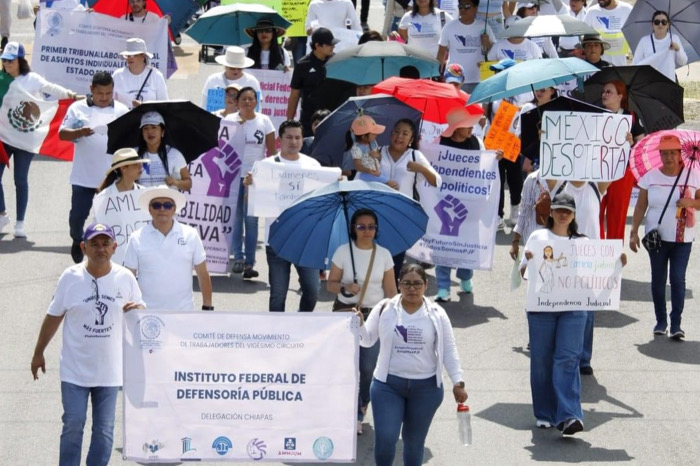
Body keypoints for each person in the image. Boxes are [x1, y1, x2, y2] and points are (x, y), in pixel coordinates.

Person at [30, 222, 144, 466]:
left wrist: (137, 311)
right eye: (94, 244)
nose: (100, 249)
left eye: (105, 244)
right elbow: (54, 316)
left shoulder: (125, 278)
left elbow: (141, 314)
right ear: (83, 247)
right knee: (73, 424)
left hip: (110, 372)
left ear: (114, 248)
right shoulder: (70, 278)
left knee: (103, 431)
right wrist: (38, 352)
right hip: (75, 371)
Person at [520, 193, 625, 434]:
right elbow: (524, 274)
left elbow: (596, 278)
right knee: (542, 362)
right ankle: (545, 413)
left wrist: (616, 265)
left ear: (574, 215)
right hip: (542, 308)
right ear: (551, 212)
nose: (563, 214)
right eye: (558, 209)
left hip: (574, 309)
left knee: (567, 359)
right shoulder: (537, 237)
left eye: (567, 210)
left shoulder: (583, 243)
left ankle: (569, 415)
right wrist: (526, 263)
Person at [357, 263, 468, 465]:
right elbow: (366, 340)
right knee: (386, 438)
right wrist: (359, 325)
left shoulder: (437, 313)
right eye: (406, 284)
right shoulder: (385, 308)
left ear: (426, 285)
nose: (412, 289)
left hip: (426, 389)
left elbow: (449, 350)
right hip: (387, 386)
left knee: (414, 442)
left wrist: (457, 382)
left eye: (417, 284)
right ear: (399, 285)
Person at [327, 208, 397, 434]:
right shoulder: (342, 252)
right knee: (345, 366)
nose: (367, 231)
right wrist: (345, 287)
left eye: (371, 227)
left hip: (374, 316)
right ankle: (346, 411)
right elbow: (331, 285)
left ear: (376, 230)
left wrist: (392, 319)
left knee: (367, 367)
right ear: (353, 229)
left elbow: (391, 291)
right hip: (345, 313)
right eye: (361, 227)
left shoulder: (384, 254)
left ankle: (361, 407)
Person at [0, 42, 79, 239]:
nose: (7, 64)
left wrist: (70, 95)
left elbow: (51, 88)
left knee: (20, 180)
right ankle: (2, 214)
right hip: (4, 136)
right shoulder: (1, 79)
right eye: (4, 60)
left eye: (10, 61)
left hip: (26, 139)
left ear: (20, 60)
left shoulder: (32, 79)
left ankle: (20, 223)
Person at [243, 120, 322, 312]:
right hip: (277, 240)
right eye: (289, 137)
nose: (293, 142)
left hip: (306, 240)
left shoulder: (313, 165)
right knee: (278, 295)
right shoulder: (265, 166)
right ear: (280, 140)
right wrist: (249, 187)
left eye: (297, 137)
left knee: (312, 291)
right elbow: (250, 203)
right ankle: (278, 337)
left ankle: (302, 327)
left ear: (303, 140)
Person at [630, 135, 700, 340]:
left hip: (682, 238)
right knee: (658, 279)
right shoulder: (650, 177)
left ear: (680, 155)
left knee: (678, 279)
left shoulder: (693, 176)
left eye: (672, 153)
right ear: (659, 154)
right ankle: (661, 320)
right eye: (664, 153)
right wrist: (633, 231)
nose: (668, 157)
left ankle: (676, 323)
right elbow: (641, 205)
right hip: (657, 237)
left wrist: (691, 202)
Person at [59, 72, 129, 264]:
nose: (105, 98)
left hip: (110, 178)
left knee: (110, 219)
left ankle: (106, 254)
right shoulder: (77, 108)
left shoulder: (122, 110)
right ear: (91, 90)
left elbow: (130, 139)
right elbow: (62, 134)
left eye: (108, 93)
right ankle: (76, 239)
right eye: (100, 94)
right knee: (77, 217)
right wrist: (79, 131)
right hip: (83, 177)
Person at [124, 186, 213, 311]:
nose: (162, 209)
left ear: (174, 209)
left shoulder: (191, 234)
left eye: (167, 205)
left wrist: (207, 307)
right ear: (149, 209)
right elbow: (128, 278)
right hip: (147, 314)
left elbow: (202, 273)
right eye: (156, 205)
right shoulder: (136, 238)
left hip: (183, 313)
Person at [380, 118, 442, 279]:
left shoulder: (415, 155)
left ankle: (393, 292)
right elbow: (362, 176)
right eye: (396, 131)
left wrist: (420, 168)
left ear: (411, 139)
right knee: (378, 258)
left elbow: (436, 181)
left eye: (405, 133)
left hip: (403, 215)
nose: (399, 136)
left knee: (396, 259)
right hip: (378, 213)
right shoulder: (379, 152)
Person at [433, 108, 484, 301]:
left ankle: (465, 277)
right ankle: (443, 287)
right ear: (456, 128)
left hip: (468, 201)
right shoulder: (440, 143)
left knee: (467, 241)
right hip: (445, 202)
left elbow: (484, 167)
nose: (471, 128)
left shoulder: (476, 143)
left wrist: (494, 158)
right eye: (467, 125)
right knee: (444, 244)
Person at [227, 87, 276, 279]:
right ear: (237, 102)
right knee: (236, 219)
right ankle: (237, 257)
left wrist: (266, 176)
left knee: (252, 221)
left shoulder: (264, 121)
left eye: (251, 99)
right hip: (233, 176)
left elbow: (272, 152)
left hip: (255, 179)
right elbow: (222, 149)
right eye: (244, 99)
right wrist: (236, 128)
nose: (247, 102)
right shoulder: (230, 121)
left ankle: (250, 263)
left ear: (256, 102)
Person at [598, 80, 644, 241]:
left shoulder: (630, 117)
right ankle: (594, 251)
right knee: (594, 211)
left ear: (620, 96)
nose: (604, 95)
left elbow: (642, 145)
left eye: (609, 92)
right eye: (603, 91)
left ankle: (613, 255)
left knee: (617, 214)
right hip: (598, 170)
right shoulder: (595, 114)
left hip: (622, 172)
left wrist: (632, 144)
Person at [92, 148, 149, 265]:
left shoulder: (145, 194)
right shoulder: (103, 198)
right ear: (124, 168)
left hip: (143, 260)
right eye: (136, 165)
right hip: (115, 261)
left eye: (140, 164)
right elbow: (97, 228)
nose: (140, 167)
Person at [287, 28, 339, 136]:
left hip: (331, 118)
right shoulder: (302, 65)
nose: (333, 46)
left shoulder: (337, 61)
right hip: (308, 121)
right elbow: (294, 95)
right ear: (317, 45)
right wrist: (289, 121)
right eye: (329, 44)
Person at [437, 0, 496, 93]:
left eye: (467, 6)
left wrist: (487, 43)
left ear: (475, 8)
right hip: (455, 79)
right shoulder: (449, 27)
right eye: (460, 6)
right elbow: (441, 53)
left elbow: (494, 52)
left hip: (479, 79)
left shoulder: (484, 27)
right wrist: (438, 74)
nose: (463, 9)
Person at [135, 111, 192, 190]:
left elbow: (188, 184)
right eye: (145, 128)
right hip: (141, 200)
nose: (150, 132)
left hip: (167, 201)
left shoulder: (174, 154)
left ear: (162, 132)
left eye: (154, 127)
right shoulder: (133, 154)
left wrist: (176, 182)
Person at [112, 38, 168, 109]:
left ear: (143, 56)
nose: (130, 58)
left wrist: (144, 108)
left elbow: (164, 105)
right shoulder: (117, 75)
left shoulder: (156, 75)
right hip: (124, 119)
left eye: (133, 55)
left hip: (150, 119)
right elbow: (111, 103)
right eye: (127, 55)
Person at [632, 10, 688, 82]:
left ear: (668, 25)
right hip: (649, 82)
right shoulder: (644, 41)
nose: (660, 25)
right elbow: (636, 64)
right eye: (657, 22)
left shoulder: (674, 38)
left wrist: (678, 49)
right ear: (652, 24)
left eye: (664, 22)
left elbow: (683, 62)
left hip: (669, 81)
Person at [583, 0, 633, 66]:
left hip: (620, 62)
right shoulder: (592, 12)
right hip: (599, 63)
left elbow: (634, 33)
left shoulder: (627, 9)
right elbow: (583, 34)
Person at [349, 115, 386, 182]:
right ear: (363, 137)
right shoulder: (357, 148)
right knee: (388, 183)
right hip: (366, 175)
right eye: (373, 133)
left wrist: (377, 156)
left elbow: (380, 156)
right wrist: (368, 170)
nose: (376, 135)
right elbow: (357, 165)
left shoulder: (373, 142)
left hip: (377, 172)